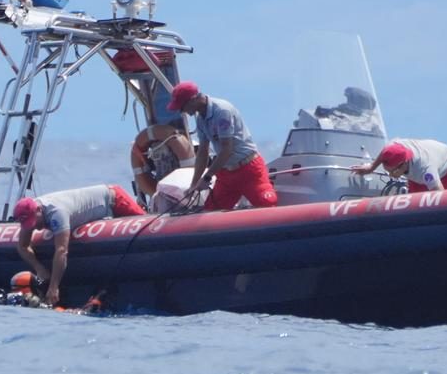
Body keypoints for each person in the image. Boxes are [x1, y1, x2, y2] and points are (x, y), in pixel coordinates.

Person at [14, 184, 144, 305]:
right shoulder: (29, 214)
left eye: (34, 222)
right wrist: (39, 268)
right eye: (29, 225)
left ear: (38, 209)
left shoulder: (56, 212)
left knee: (146, 225)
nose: (34, 227)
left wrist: (53, 287)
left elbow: (61, 250)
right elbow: (22, 246)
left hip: (113, 200)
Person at [167, 80, 278, 211]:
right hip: (226, 174)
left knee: (267, 204)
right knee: (210, 212)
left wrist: (207, 178)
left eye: (182, 107)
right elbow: (203, 152)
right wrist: (194, 184)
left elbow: (227, 149)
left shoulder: (222, 111)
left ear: (193, 100)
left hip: (248, 170)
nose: (181, 111)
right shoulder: (200, 119)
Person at [350, 138, 447, 192]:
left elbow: (439, 193)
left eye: (393, 172)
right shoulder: (393, 146)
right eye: (388, 172)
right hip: (415, 173)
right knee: (415, 204)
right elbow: (385, 152)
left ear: (403, 164)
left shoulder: (426, 171)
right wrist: (371, 167)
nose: (391, 175)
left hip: (446, 170)